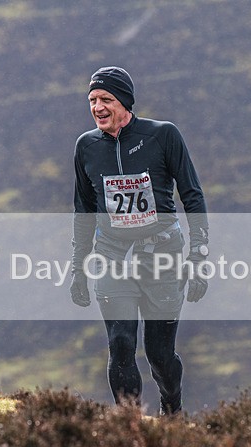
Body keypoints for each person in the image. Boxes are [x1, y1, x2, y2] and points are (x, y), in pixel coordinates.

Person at [69, 66, 209, 415]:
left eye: (106, 99)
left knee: (160, 354)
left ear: (125, 103)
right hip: (111, 254)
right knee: (120, 344)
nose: (98, 107)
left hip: (162, 254)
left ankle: (172, 410)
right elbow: (83, 211)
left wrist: (199, 259)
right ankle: (130, 427)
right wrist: (79, 269)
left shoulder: (163, 136)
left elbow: (192, 197)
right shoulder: (86, 147)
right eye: (92, 100)